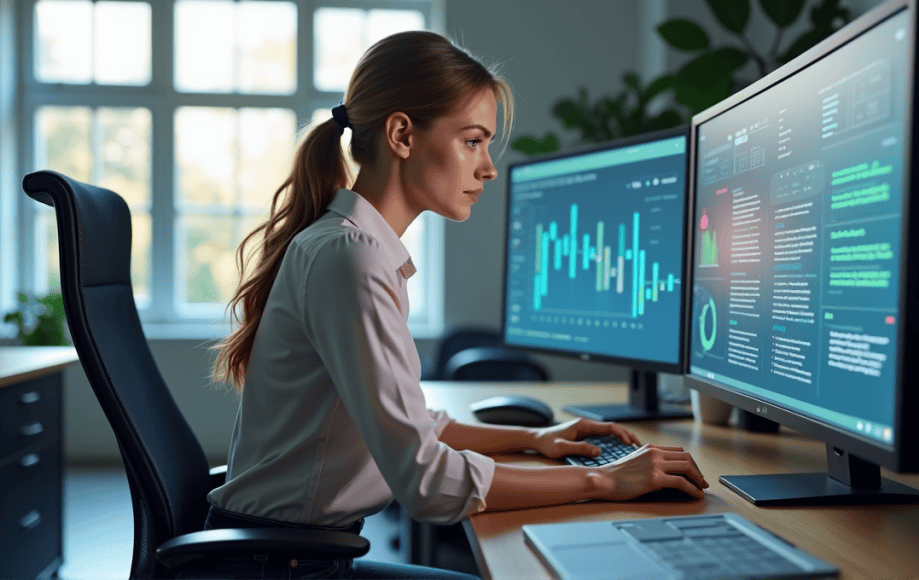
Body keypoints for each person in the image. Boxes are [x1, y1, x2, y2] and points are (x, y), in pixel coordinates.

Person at [205, 30, 708, 580]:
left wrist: (534, 440)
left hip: (285, 552)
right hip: (278, 567)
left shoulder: (352, 245)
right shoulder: (353, 257)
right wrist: (606, 481)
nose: (488, 167)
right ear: (402, 134)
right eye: (473, 141)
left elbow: (411, 424)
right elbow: (425, 483)